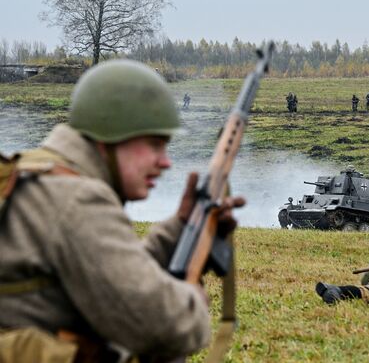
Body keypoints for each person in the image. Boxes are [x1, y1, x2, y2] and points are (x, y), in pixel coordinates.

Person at [0, 60, 244, 362]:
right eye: (154, 144)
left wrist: (178, 229)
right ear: (109, 138)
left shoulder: (31, 173)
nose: (165, 162)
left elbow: (105, 273)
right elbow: (164, 326)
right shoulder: (79, 200)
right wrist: (191, 300)